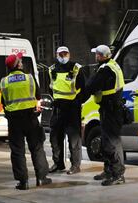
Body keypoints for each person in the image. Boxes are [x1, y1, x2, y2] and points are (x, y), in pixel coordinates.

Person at [0, 53, 52, 190]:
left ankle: (23, 182)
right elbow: (38, 97)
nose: (21, 61)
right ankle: (41, 178)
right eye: (20, 60)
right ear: (17, 65)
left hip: (14, 120)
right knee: (37, 148)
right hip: (30, 118)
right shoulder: (29, 78)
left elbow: (4, 103)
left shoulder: (4, 82)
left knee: (17, 151)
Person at [85, 44, 126, 186]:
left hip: (110, 109)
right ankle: (108, 170)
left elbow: (91, 86)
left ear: (101, 56)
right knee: (106, 140)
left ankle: (117, 174)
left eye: (96, 54)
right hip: (110, 108)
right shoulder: (113, 65)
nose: (95, 56)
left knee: (111, 142)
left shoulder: (106, 69)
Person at [48, 46, 85, 175]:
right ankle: (58, 164)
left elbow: (84, 89)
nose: (63, 56)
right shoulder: (52, 70)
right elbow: (51, 88)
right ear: (56, 54)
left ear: (69, 54)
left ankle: (75, 165)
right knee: (55, 138)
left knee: (74, 139)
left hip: (72, 109)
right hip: (58, 108)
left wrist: (77, 102)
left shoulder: (76, 68)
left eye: (65, 53)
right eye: (61, 54)